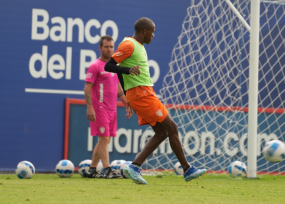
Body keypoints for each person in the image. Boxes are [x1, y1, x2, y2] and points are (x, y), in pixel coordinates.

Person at [104, 17, 206, 185]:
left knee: (162, 132)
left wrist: (127, 96)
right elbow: (110, 66)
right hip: (142, 94)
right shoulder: (129, 44)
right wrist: (129, 73)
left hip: (141, 93)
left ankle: (135, 166)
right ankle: (187, 169)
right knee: (172, 127)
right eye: (152, 32)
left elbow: (120, 72)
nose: (153, 35)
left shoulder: (138, 46)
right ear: (144, 31)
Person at [83, 35, 129, 179]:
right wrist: (90, 108)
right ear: (100, 48)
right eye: (106, 47)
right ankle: (108, 170)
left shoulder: (114, 66)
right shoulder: (95, 66)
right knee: (104, 140)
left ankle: (91, 169)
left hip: (112, 109)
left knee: (105, 140)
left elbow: (119, 90)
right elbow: (87, 88)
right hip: (99, 109)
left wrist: (127, 104)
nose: (109, 49)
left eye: (111, 47)